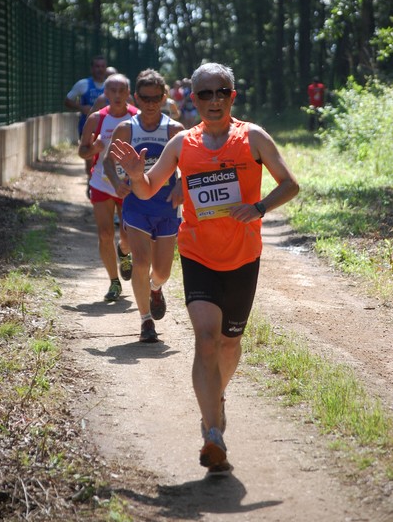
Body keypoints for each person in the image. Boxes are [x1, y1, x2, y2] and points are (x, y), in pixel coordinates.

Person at [109, 62, 299, 474]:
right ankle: (213, 433)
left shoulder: (253, 138)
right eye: (205, 94)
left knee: (230, 345)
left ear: (233, 96)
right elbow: (147, 189)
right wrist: (137, 176)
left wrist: (260, 207)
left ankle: (216, 399)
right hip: (197, 253)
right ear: (192, 100)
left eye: (222, 92)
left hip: (244, 257)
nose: (214, 100)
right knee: (206, 340)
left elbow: (290, 183)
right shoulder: (182, 144)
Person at [103, 69, 185, 342]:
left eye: (156, 98)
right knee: (141, 261)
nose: (150, 104)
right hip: (136, 204)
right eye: (145, 98)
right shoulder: (127, 128)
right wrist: (116, 182)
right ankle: (145, 321)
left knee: (162, 270)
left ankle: (155, 288)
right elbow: (107, 161)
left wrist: (180, 184)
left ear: (164, 98)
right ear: (136, 98)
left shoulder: (175, 130)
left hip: (166, 205)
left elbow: (189, 166)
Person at [78, 73, 136, 302]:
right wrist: (94, 148)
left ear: (129, 93)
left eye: (122, 90)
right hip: (101, 181)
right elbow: (82, 151)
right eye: (112, 90)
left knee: (128, 233)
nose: (118, 95)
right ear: (106, 94)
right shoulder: (95, 119)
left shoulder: (137, 118)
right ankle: (114, 281)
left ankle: (125, 251)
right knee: (104, 233)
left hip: (128, 184)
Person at [65, 55, 107, 192]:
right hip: (87, 127)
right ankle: (91, 179)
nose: (99, 69)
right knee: (89, 155)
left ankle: (103, 183)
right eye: (97, 66)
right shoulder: (83, 84)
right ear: (92, 68)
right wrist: (81, 107)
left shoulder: (111, 86)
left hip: (107, 127)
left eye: (102, 66)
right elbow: (68, 100)